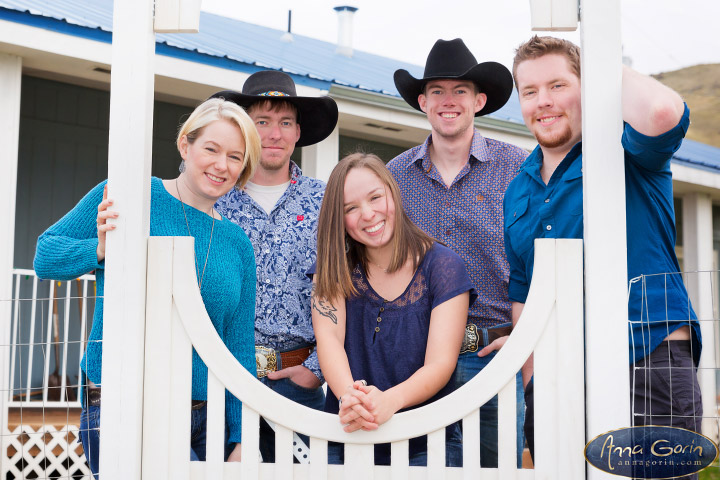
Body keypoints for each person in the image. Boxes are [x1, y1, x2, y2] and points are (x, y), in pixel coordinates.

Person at [33, 98, 261, 476]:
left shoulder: (237, 243)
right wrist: (102, 249)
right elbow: (46, 255)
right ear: (185, 146)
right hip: (126, 404)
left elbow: (238, 350)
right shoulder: (128, 196)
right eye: (211, 149)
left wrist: (242, 438)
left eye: (236, 157)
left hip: (209, 419)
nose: (222, 165)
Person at [505, 35, 702, 460]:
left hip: (650, 359)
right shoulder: (516, 190)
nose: (543, 101)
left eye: (558, 85)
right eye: (530, 91)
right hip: (562, 377)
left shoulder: (628, 152)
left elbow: (662, 111)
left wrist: (598, 60)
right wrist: (533, 386)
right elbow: (524, 296)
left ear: (588, 85)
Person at [387, 38, 529, 467]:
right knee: (416, 468)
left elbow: (538, 261)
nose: (448, 102)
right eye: (437, 92)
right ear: (422, 102)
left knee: (495, 469)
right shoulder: (394, 176)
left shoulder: (519, 169)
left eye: (460, 91)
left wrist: (523, 345)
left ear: (479, 100)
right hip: (413, 356)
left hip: (490, 354)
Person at [310, 153, 475, 466]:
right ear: (339, 219)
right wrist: (350, 397)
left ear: (393, 193)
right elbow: (328, 340)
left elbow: (440, 363)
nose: (368, 214)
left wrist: (390, 401)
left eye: (375, 197)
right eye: (351, 208)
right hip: (348, 433)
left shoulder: (444, 267)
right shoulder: (333, 268)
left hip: (426, 442)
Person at [211, 70, 339, 462]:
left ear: (298, 132)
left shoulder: (324, 201)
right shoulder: (214, 197)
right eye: (261, 122)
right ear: (243, 130)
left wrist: (316, 368)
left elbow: (341, 286)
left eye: (285, 122)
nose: (274, 134)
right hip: (223, 378)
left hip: (297, 381)